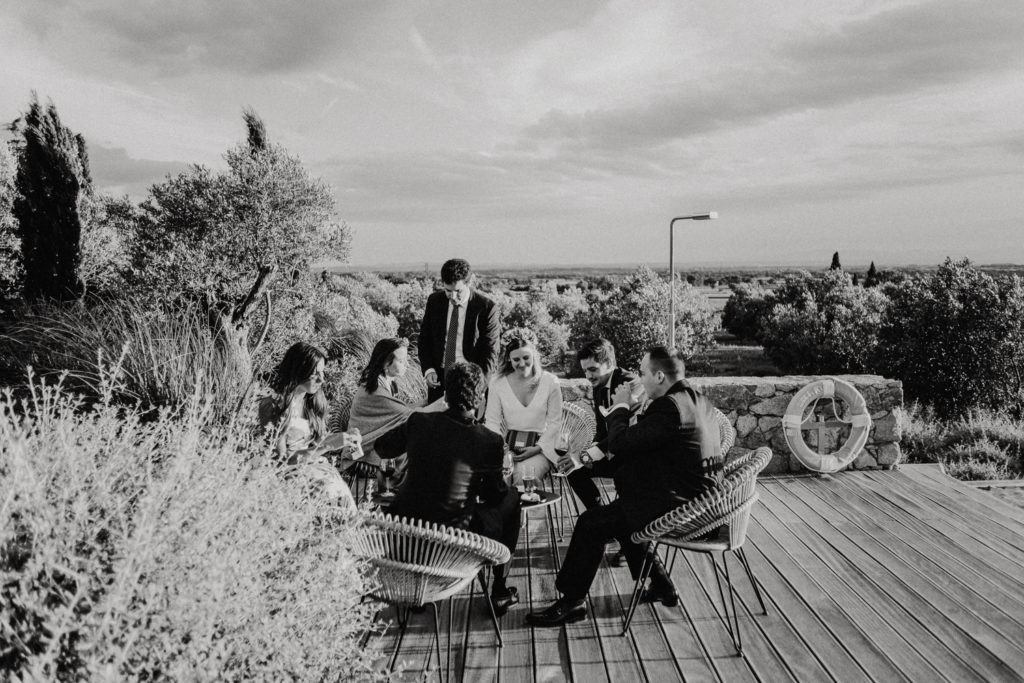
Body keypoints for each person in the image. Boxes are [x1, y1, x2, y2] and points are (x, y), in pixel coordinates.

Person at [526, 345, 724, 627]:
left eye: (642, 374)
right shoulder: (696, 399)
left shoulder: (669, 406)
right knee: (621, 517)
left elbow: (620, 444)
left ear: (658, 376)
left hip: (684, 508)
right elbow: (642, 445)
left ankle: (572, 601)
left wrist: (620, 407)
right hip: (700, 500)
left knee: (591, 523)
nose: (638, 381)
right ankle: (662, 586)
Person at [375, 361, 521, 614]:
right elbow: (494, 494)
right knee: (512, 498)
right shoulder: (489, 440)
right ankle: (499, 589)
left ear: (446, 395)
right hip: (452, 543)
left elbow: (382, 447)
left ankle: (417, 588)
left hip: (404, 533)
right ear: (480, 399)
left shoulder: (419, 422)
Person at [258, 342, 359, 507]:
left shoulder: (311, 403)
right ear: (299, 370)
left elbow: (313, 445)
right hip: (290, 478)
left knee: (342, 502)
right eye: (315, 373)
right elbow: (280, 461)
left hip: (317, 471)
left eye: (322, 372)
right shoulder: (273, 405)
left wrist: (345, 439)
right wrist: (326, 445)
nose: (322, 379)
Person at [348, 338, 445, 477]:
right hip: (366, 450)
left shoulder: (386, 383)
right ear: (385, 363)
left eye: (406, 359)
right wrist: (447, 400)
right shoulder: (376, 391)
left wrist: (428, 400)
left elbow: (400, 411)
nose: (406, 364)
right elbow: (412, 416)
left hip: (378, 444)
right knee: (422, 449)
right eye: (401, 361)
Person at [560, 338, 638, 510]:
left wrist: (586, 455)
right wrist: (584, 457)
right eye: (585, 370)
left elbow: (628, 431)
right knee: (573, 468)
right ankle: (598, 514)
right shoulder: (598, 386)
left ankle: (613, 522)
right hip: (612, 453)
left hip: (633, 457)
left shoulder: (629, 384)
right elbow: (602, 431)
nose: (588, 376)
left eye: (593, 369)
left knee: (580, 461)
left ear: (609, 363)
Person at [485, 327, 563, 485]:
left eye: (526, 357)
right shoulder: (497, 383)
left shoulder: (550, 382)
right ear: (509, 359)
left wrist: (538, 448)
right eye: (516, 360)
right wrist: (503, 447)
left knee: (525, 474)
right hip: (507, 447)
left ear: (534, 355)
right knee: (499, 476)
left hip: (541, 447)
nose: (522, 364)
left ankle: (532, 509)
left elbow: (555, 422)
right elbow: (491, 421)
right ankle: (506, 510)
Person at [418, 258, 501, 403]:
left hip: (471, 381)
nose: (453, 297)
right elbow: (425, 339)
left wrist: (479, 386)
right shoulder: (434, 301)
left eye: (458, 291)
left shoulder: (487, 308)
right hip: (439, 377)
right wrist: (429, 369)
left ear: (468, 283)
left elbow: (490, 352)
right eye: (448, 291)